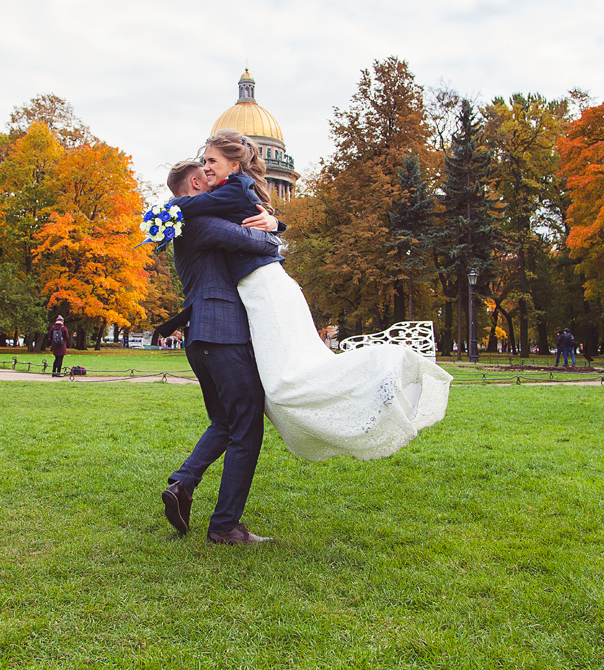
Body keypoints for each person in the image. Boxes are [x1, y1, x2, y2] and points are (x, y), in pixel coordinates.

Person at [161, 129, 451, 465]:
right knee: (289, 379)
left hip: (266, 289)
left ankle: (381, 377)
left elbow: (257, 241)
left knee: (289, 381)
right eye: (204, 164)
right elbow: (241, 228)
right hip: (258, 294)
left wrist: (168, 211)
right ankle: (359, 405)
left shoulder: (220, 198)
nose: (206, 168)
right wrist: (275, 222)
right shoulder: (221, 202)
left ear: (234, 164)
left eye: (211, 161)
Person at [157, 185, 285, 546]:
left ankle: (183, 483)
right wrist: (272, 228)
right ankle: (225, 526)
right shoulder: (200, 223)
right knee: (246, 427)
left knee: (225, 421)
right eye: (205, 182)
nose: (213, 189)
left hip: (202, 337)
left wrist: (274, 222)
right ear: (193, 188)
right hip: (222, 334)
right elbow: (262, 244)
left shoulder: (188, 225)